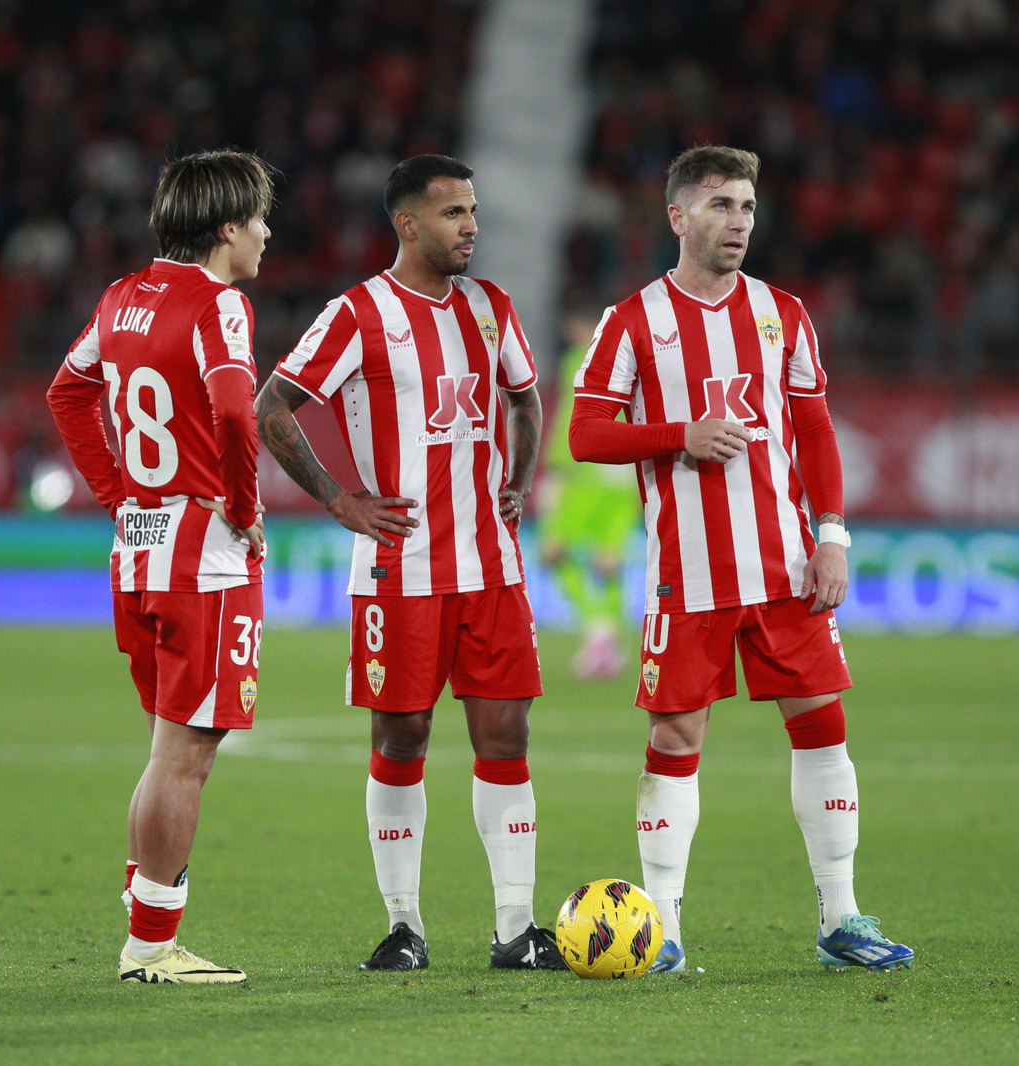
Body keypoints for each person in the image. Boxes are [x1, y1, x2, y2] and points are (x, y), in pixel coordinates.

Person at [568, 145, 914, 974]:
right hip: (686, 575)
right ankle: (664, 931)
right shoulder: (632, 321)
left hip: (786, 567)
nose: (739, 222)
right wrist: (675, 436)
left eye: (749, 208)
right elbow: (586, 434)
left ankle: (842, 915)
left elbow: (816, 430)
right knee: (676, 735)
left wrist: (833, 534)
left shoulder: (782, 313)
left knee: (822, 725)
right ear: (678, 215)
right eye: (721, 205)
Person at [256, 155, 560, 972]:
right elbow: (272, 405)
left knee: (506, 732)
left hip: (490, 567)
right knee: (403, 733)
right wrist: (338, 499)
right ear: (408, 225)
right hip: (401, 570)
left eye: (473, 211)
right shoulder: (357, 315)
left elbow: (526, 397)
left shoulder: (492, 309)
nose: (470, 226)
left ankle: (515, 931)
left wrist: (518, 481)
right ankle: (404, 926)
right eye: (454, 213)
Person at [46, 150, 273, 984]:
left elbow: (66, 395)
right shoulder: (221, 306)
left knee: (163, 749)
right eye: (258, 220)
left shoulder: (122, 297)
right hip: (203, 559)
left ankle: (145, 926)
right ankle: (150, 946)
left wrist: (116, 493)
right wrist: (245, 514)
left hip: (139, 548)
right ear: (226, 229)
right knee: (186, 756)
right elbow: (237, 416)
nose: (266, 234)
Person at [538, 310, 642, 679]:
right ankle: (606, 641)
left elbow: (572, 414)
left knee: (552, 552)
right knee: (609, 563)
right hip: (625, 474)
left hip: (585, 474)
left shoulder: (577, 362)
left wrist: (555, 469)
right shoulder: (637, 357)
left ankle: (597, 630)